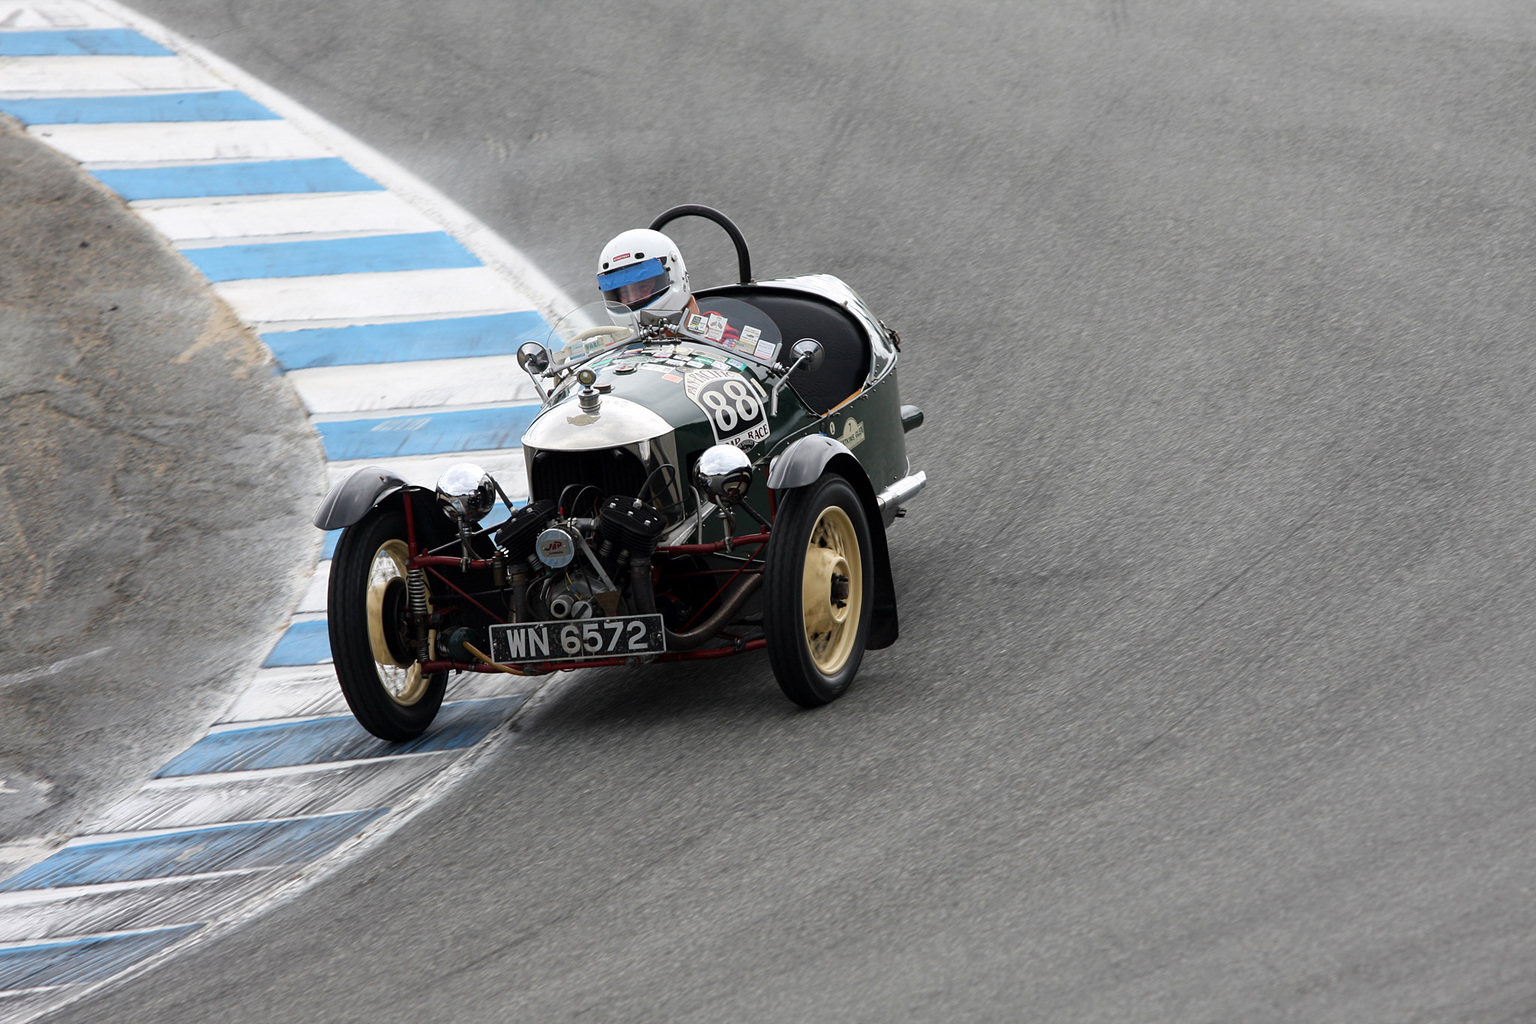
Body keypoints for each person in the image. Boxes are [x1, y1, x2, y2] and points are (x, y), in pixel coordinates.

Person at [596, 228, 700, 323]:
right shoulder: (614, 342)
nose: (633, 298)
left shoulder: (712, 333)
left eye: (643, 287)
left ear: (673, 276)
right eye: (624, 292)